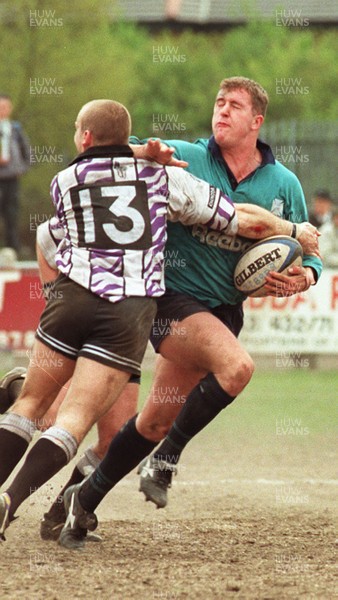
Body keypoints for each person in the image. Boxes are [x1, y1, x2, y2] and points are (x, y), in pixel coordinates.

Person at [0, 96, 295, 543]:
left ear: (84, 138)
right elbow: (237, 221)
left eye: (233, 104)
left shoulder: (65, 180)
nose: (222, 110)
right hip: (137, 312)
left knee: (73, 416)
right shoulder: (172, 171)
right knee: (70, 419)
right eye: (218, 102)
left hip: (83, 303)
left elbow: (63, 214)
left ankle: (62, 494)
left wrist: (56, 296)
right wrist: (291, 233)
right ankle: (19, 496)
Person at [0, 94, 30, 253]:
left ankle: (12, 250)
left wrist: (21, 168)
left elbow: (26, 151)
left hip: (11, 177)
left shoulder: (15, 129)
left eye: (4, 107)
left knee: (11, 212)